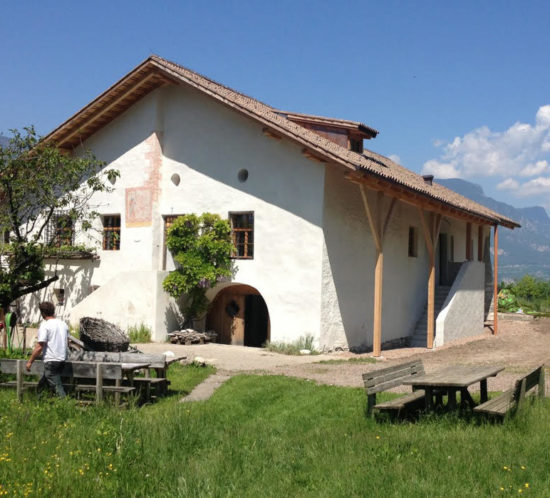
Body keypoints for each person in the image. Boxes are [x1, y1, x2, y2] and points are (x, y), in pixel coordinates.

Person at [26, 301, 69, 398]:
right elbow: (67, 341)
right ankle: (39, 400)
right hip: (62, 359)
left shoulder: (45, 325)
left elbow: (39, 346)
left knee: (57, 387)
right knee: (43, 383)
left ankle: (65, 405)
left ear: (43, 313)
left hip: (51, 360)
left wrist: (30, 362)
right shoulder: (63, 324)